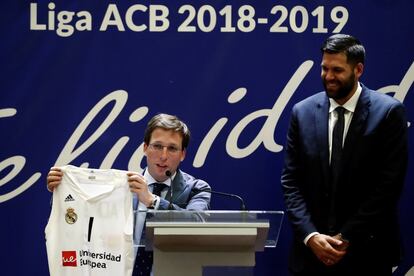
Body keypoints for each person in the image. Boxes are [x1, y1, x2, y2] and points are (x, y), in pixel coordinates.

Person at [281, 34, 408, 275]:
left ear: (358, 69)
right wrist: (311, 236)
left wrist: (345, 237)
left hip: (367, 254)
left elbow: (388, 187)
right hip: (310, 255)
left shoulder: (389, 113)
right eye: (324, 68)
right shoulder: (302, 112)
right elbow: (291, 181)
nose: (328, 77)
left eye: (337, 70)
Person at [47, 113, 211, 276]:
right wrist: (62, 193)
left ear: (183, 154)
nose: (163, 156)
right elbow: (84, 218)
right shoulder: (119, 187)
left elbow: (197, 224)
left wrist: (152, 201)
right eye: (157, 146)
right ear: (145, 148)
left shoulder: (197, 188)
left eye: (173, 148)